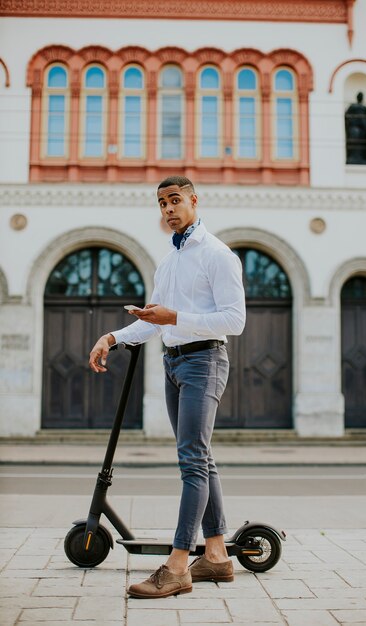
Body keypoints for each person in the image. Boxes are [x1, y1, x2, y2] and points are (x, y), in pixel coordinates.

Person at [89, 176, 246, 598]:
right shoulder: (169, 261)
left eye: (175, 200)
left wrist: (175, 318)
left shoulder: (218, 255)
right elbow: (151, 321)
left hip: (205, 360)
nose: (168, 209)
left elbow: (234, 320)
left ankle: (177, 567)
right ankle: (215, 557)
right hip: (174, 363)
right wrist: (114, 337)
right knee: (202, 458)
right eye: (161, 203)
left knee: (192, 461)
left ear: (195, 200)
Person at [345, 91, 366, 165]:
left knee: (362, 143)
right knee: (355, 144)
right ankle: (353, 157)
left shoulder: (364, 108)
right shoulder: (354, 107)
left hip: (361, 130)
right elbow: (347, 117)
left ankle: (361, 157)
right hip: (354, 129)